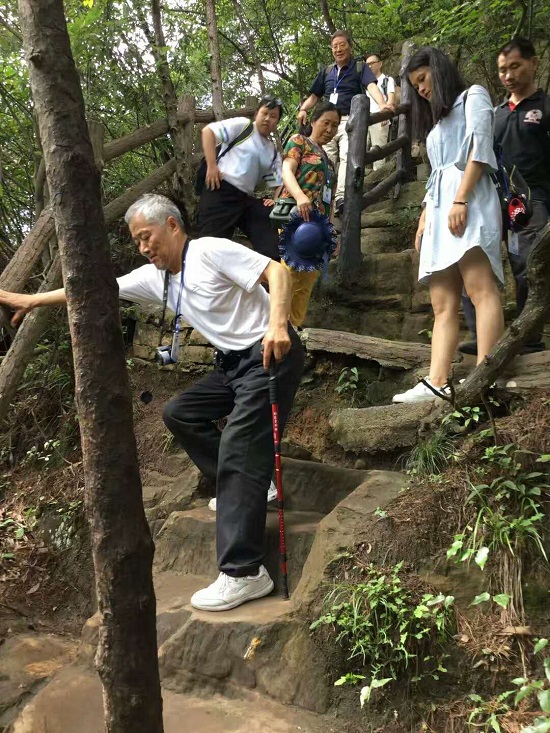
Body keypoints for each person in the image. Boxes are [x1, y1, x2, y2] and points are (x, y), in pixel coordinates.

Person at [0, 194, 305, 612]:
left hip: (270, 354)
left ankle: (245, 572)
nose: (144, 247)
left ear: (173, 226)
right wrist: (31, 300)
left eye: (148, 236)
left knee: (239, 450)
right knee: (180, 412)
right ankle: (258, 485)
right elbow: (94, 289)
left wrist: (277, 325)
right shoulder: (157, 278)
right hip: (233, 364)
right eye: (138, 241)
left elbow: (278, 271)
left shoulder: (210, 251)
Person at [392, 47, 504, 404]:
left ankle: (488, 375)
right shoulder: (437, 121)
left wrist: (462, 198)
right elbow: (434, 173)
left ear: (438, 71)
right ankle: (437, 382)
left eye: (423, 80)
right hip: (439, 208)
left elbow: (480, 148)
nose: (421, 90)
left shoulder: (473, 96)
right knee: (442, 303)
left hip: (468, 199)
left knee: (479, 287)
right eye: (415, 86)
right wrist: (426, 215)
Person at [460, 36, 550, 356]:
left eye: (515, 66)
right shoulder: (496, 113)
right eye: (502, 70)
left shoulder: (544, 107)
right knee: (472, 257)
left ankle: (529, 336)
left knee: (526, 263)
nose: (508, 75)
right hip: (494, 199)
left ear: (533, 63)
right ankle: (484, 332)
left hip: (533, 200)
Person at [297, 30, 394, 215]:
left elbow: (371, 86)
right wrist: (303, 109)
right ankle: (322, 200)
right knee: (325, 159)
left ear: (349, 46)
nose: (338, 49)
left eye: (342, 45)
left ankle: (341, 197)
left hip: (349, 120)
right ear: (331, 50)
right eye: (335, 46)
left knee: (347, 156)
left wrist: (382, 104)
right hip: (325, 121)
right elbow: (314, 96)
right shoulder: (326, 71)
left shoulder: (359, 67)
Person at [197, 96, 283, 260]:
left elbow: (277, 183)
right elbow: (208, 132)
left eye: (273, 116)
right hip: (220, 189)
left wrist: (276, 200)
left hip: (244, 199)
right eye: (264, 113)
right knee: (209, 247)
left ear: (277, 121)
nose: (267, 119)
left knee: (269, 222)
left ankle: (269, 272)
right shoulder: (243, 127)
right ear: (257, 113)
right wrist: (212, 165)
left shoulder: (272, 152)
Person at [278, 102, 340, 326]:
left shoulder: (330, 162)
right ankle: (277, 325)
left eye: (335, 125)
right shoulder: (299, 141)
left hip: (317, 225)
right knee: (291, 270)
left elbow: (329, 201)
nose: (330, 129)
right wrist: (300, 196)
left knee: (308, 279)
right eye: (326, 123)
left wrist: (331, 233)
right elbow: (287, 171)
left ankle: (294, 328)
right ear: (313, 121)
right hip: (296, 218)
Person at [365, 54, 396, 169]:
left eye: (372, 63)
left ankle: (377, 181)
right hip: (364, 118)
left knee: (378, 152)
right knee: (358, 151)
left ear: (380, 63)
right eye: (367, 64)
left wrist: (385, 116)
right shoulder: (364, 82)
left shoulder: (387, 80)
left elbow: (391, 99)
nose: (369, 66)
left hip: (379, 118)